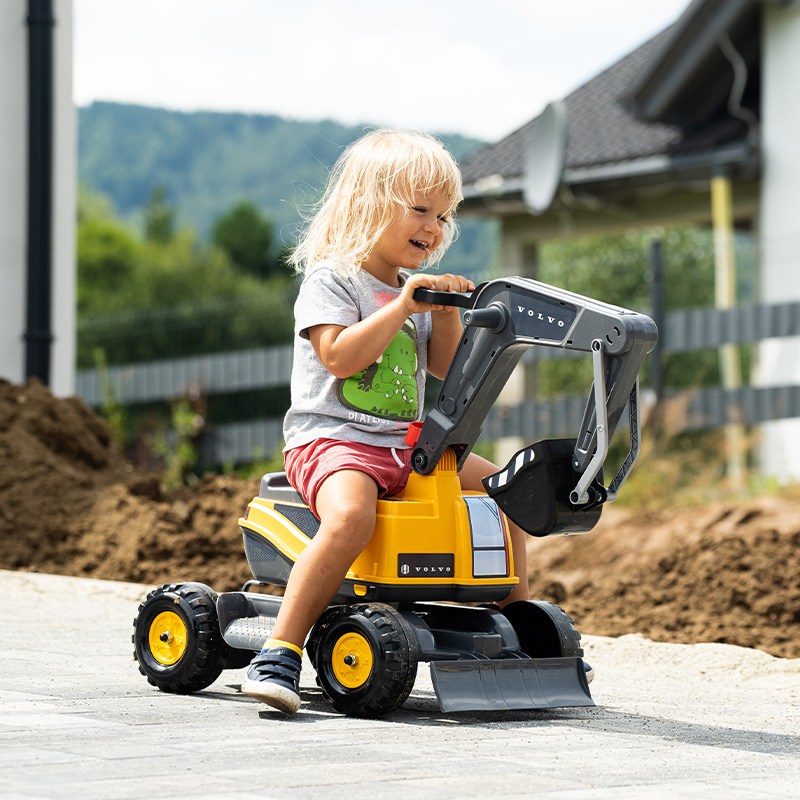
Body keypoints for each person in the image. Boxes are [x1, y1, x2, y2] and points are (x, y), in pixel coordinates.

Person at [241, 129, 530, 714]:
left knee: (511, 493)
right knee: (349, 517)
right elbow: (341, 357)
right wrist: (404, 307)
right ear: (366, 204)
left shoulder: (412, 291)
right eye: (419, 208)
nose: (433, 226)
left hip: (406, 445)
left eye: (443, 216)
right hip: (333, 442)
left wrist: (445, 311)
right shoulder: (333, 280)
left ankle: (515, 631)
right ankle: (280, 651)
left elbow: (445, 369)